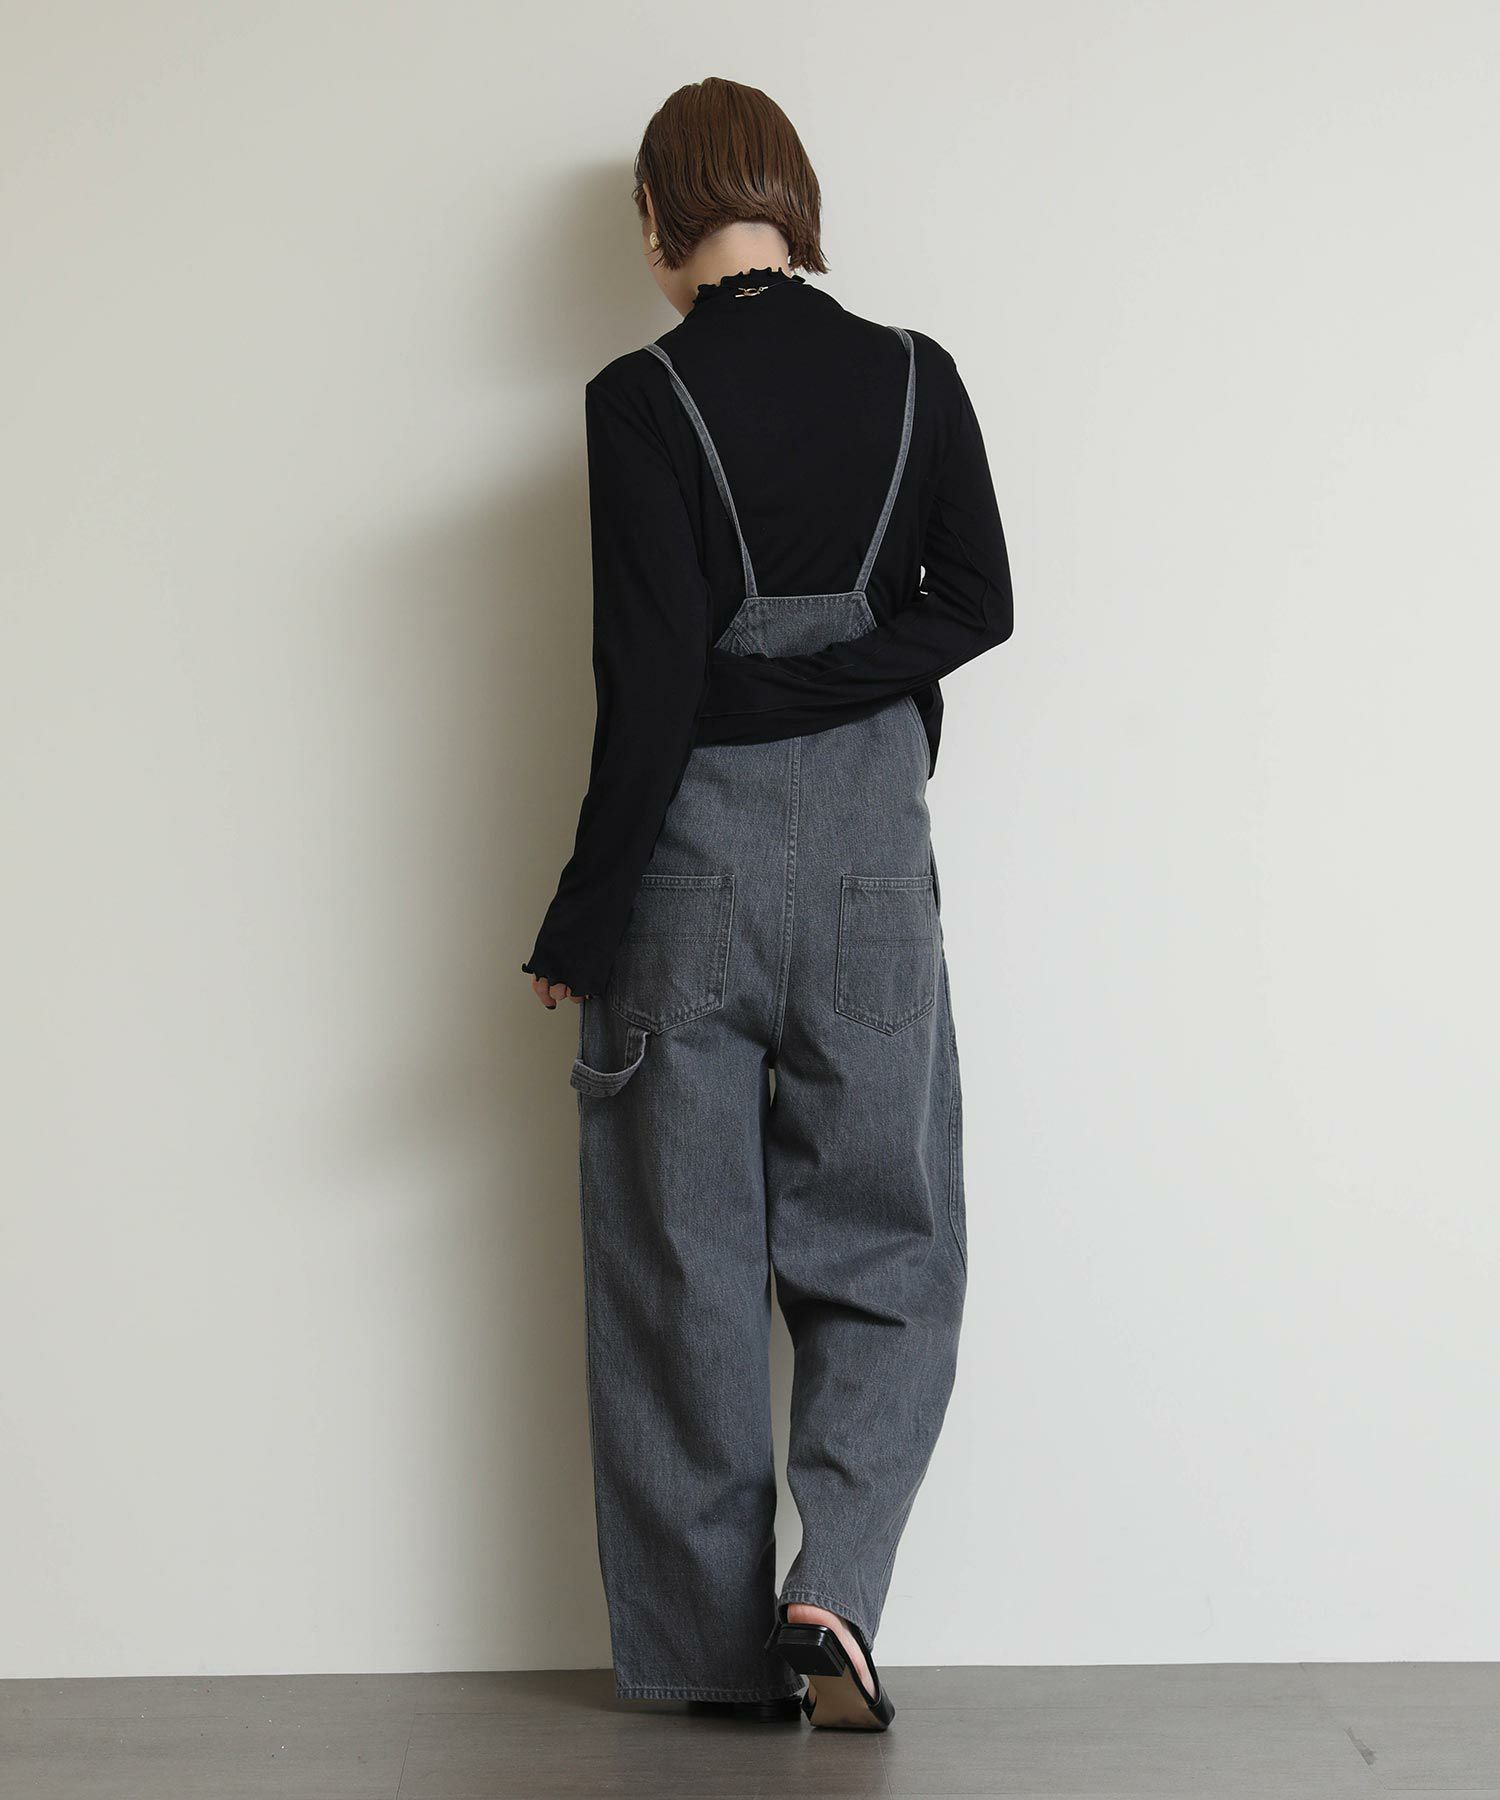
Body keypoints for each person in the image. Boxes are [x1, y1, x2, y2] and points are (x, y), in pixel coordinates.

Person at [522, 77, 1013, 1731]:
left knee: (683, 1261)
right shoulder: (916, 374)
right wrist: (837, 683)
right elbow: (979, 604)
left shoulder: (638, 399)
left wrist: (581, 922)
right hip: (872, 868)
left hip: (693, 879)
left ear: (659, 220)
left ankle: (714, 1659)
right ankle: (837, 1593)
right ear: (793, 199)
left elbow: (651, 686)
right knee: (889, 1241)